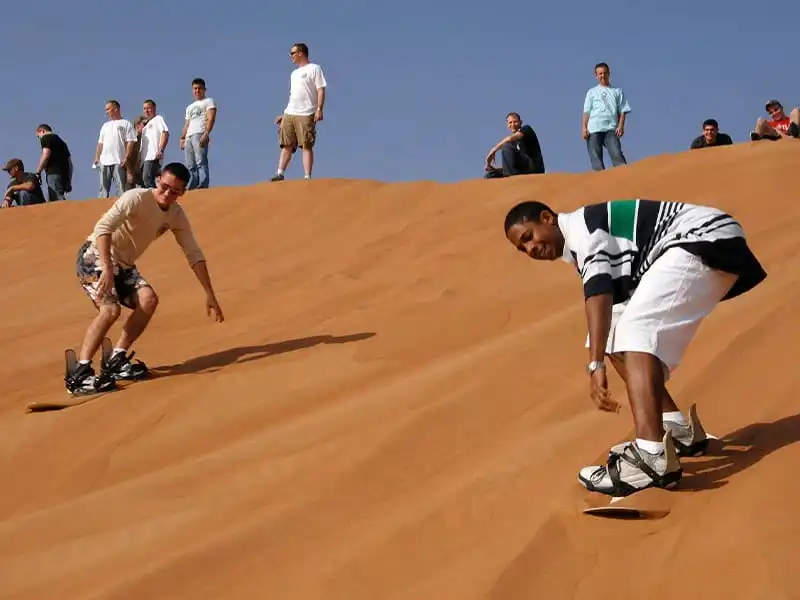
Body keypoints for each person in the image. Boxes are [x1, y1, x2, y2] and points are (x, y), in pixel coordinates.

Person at [503, 197, 767, 497]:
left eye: (528, 237)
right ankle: (677, 430)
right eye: (522, 249)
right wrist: (601, 351)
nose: (530, 249)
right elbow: (610, 311)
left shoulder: (583, 229)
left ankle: (651, 455)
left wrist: (596, 366)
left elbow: (598, 291)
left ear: (547, 218)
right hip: (697, 244)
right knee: (616, 333)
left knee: (635, 330)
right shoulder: (583, 243)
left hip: (703, 237)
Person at [67, 162, 224, 396]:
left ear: (182, 193)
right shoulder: (136, 198)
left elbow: (193, 253)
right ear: (158, 179)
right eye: (164, 187)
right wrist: (107, 269)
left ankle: (117, 358)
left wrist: (209, 293)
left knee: (148, 300)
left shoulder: (176, 215)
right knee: (110, 310)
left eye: (175, 192)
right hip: (95, 256)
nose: (167, 194)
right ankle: (80, 373)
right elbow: (102, 229)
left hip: (125, 265)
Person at [271, 42, 327, 182]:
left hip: (307, 113)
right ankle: (280, 173)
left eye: (293, 53)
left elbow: (321, 89)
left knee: (306, 144)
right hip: (291, 112)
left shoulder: (314, 68)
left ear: (301, 53)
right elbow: (293, 95)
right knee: (286, 144)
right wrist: (284, 114)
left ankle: (307, 176)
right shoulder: (294, 74)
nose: (291, 56)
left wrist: (319, 109)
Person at [581, 62, 631, 171]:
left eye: (604, 73)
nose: (602, 76)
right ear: (596, 75)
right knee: (596, 159)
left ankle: (626, 178)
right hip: (593, 129)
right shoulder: (591, 92)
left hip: (611, 128)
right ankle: (600, 183)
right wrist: (584, 128)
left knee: (617, 154)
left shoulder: (617, 91)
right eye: (600, 74)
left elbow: (623, 111)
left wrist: (621, 126)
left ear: (609, 73)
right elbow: (586, 112)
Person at [180, 78, 217, 190]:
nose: (197, 91)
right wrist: (182, 137)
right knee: (190, 164)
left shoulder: (209, 101)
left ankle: (203, 184)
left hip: (199, 133)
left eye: (199, 88)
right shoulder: (189, 107)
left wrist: (206, 133)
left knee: (201, 160)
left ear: (204, 89)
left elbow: (211, 118)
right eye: (195, 88)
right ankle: (193, 184)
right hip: (189, 136)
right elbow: (187, 123)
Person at [484, 112, 545, 178]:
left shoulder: (527, 129)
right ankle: (510, 178)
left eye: (515, 122)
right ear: (507, 124)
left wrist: (494, 150)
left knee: (506, 146)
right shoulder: (513, 144)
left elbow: (510, 138)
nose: (513, 124)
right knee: (490, 175)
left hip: (535, 169)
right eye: (510, 122)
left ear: (520, 122)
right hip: (521, 170)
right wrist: (492, 167)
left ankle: (511, 181)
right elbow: (514, 163)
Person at [35, 124, 73, 200]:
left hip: (53, 173)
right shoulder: (62, 142)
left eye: (38, 136)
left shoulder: (46, 138)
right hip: (64, 174)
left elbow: (46, 154)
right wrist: (69, 180)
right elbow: (70, 164)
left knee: (56, 198)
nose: (39, 138)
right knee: (54, 199)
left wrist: (38, 172)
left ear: (42, 131)